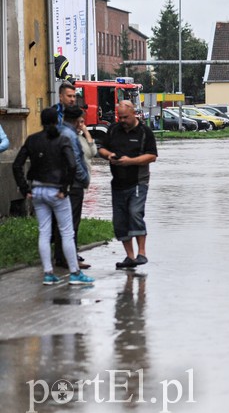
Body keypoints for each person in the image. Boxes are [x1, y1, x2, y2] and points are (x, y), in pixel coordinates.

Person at [12, 108, 94, 286]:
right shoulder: (62, 139)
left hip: (37, 190)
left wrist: (25, 188)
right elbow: (72, 165)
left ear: (41, 121)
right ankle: (75, 272)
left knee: (44, 231)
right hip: (56, 190)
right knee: (67, 232)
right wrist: (65, 188)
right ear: (57, 121)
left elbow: (17, 165)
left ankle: (48, 273)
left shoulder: (32, 140)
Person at [97, 100, 158, 270]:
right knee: (119, 221)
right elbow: (101, 149)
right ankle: (130, 257)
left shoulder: (145, 132)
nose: (122, 120)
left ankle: (142, 253)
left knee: (134, 212)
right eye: (120, 117)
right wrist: (109, 156)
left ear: (133, 114)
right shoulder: (113, 129)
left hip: (139, 181)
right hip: (117, 183)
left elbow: (152, 156)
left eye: (125, 117)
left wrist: (130, 161)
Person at [53, 106, 92, 270]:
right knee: (72, 223)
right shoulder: (70, 135)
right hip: (74, 184)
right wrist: (85, 179)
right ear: (77, 120)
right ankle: (70, 259)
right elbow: (75, 160)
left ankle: (60, 257)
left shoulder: (59, 131)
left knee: (61, 222)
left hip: (59, 181)